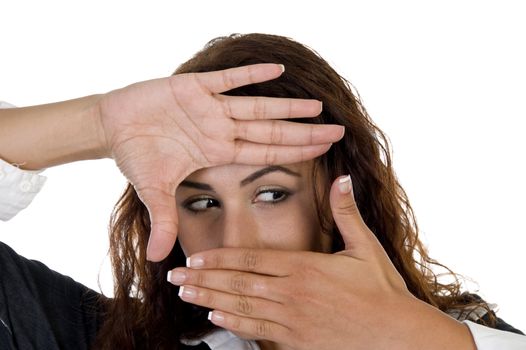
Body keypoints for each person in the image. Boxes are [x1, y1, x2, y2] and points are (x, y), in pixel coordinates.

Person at [0, 33, 524, 350]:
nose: (235, 241)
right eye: (201, 202)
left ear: (341, 194)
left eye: (272, 193)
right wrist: (96, 123)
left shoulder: (456, 339)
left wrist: (419, 339)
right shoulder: (89, 337)